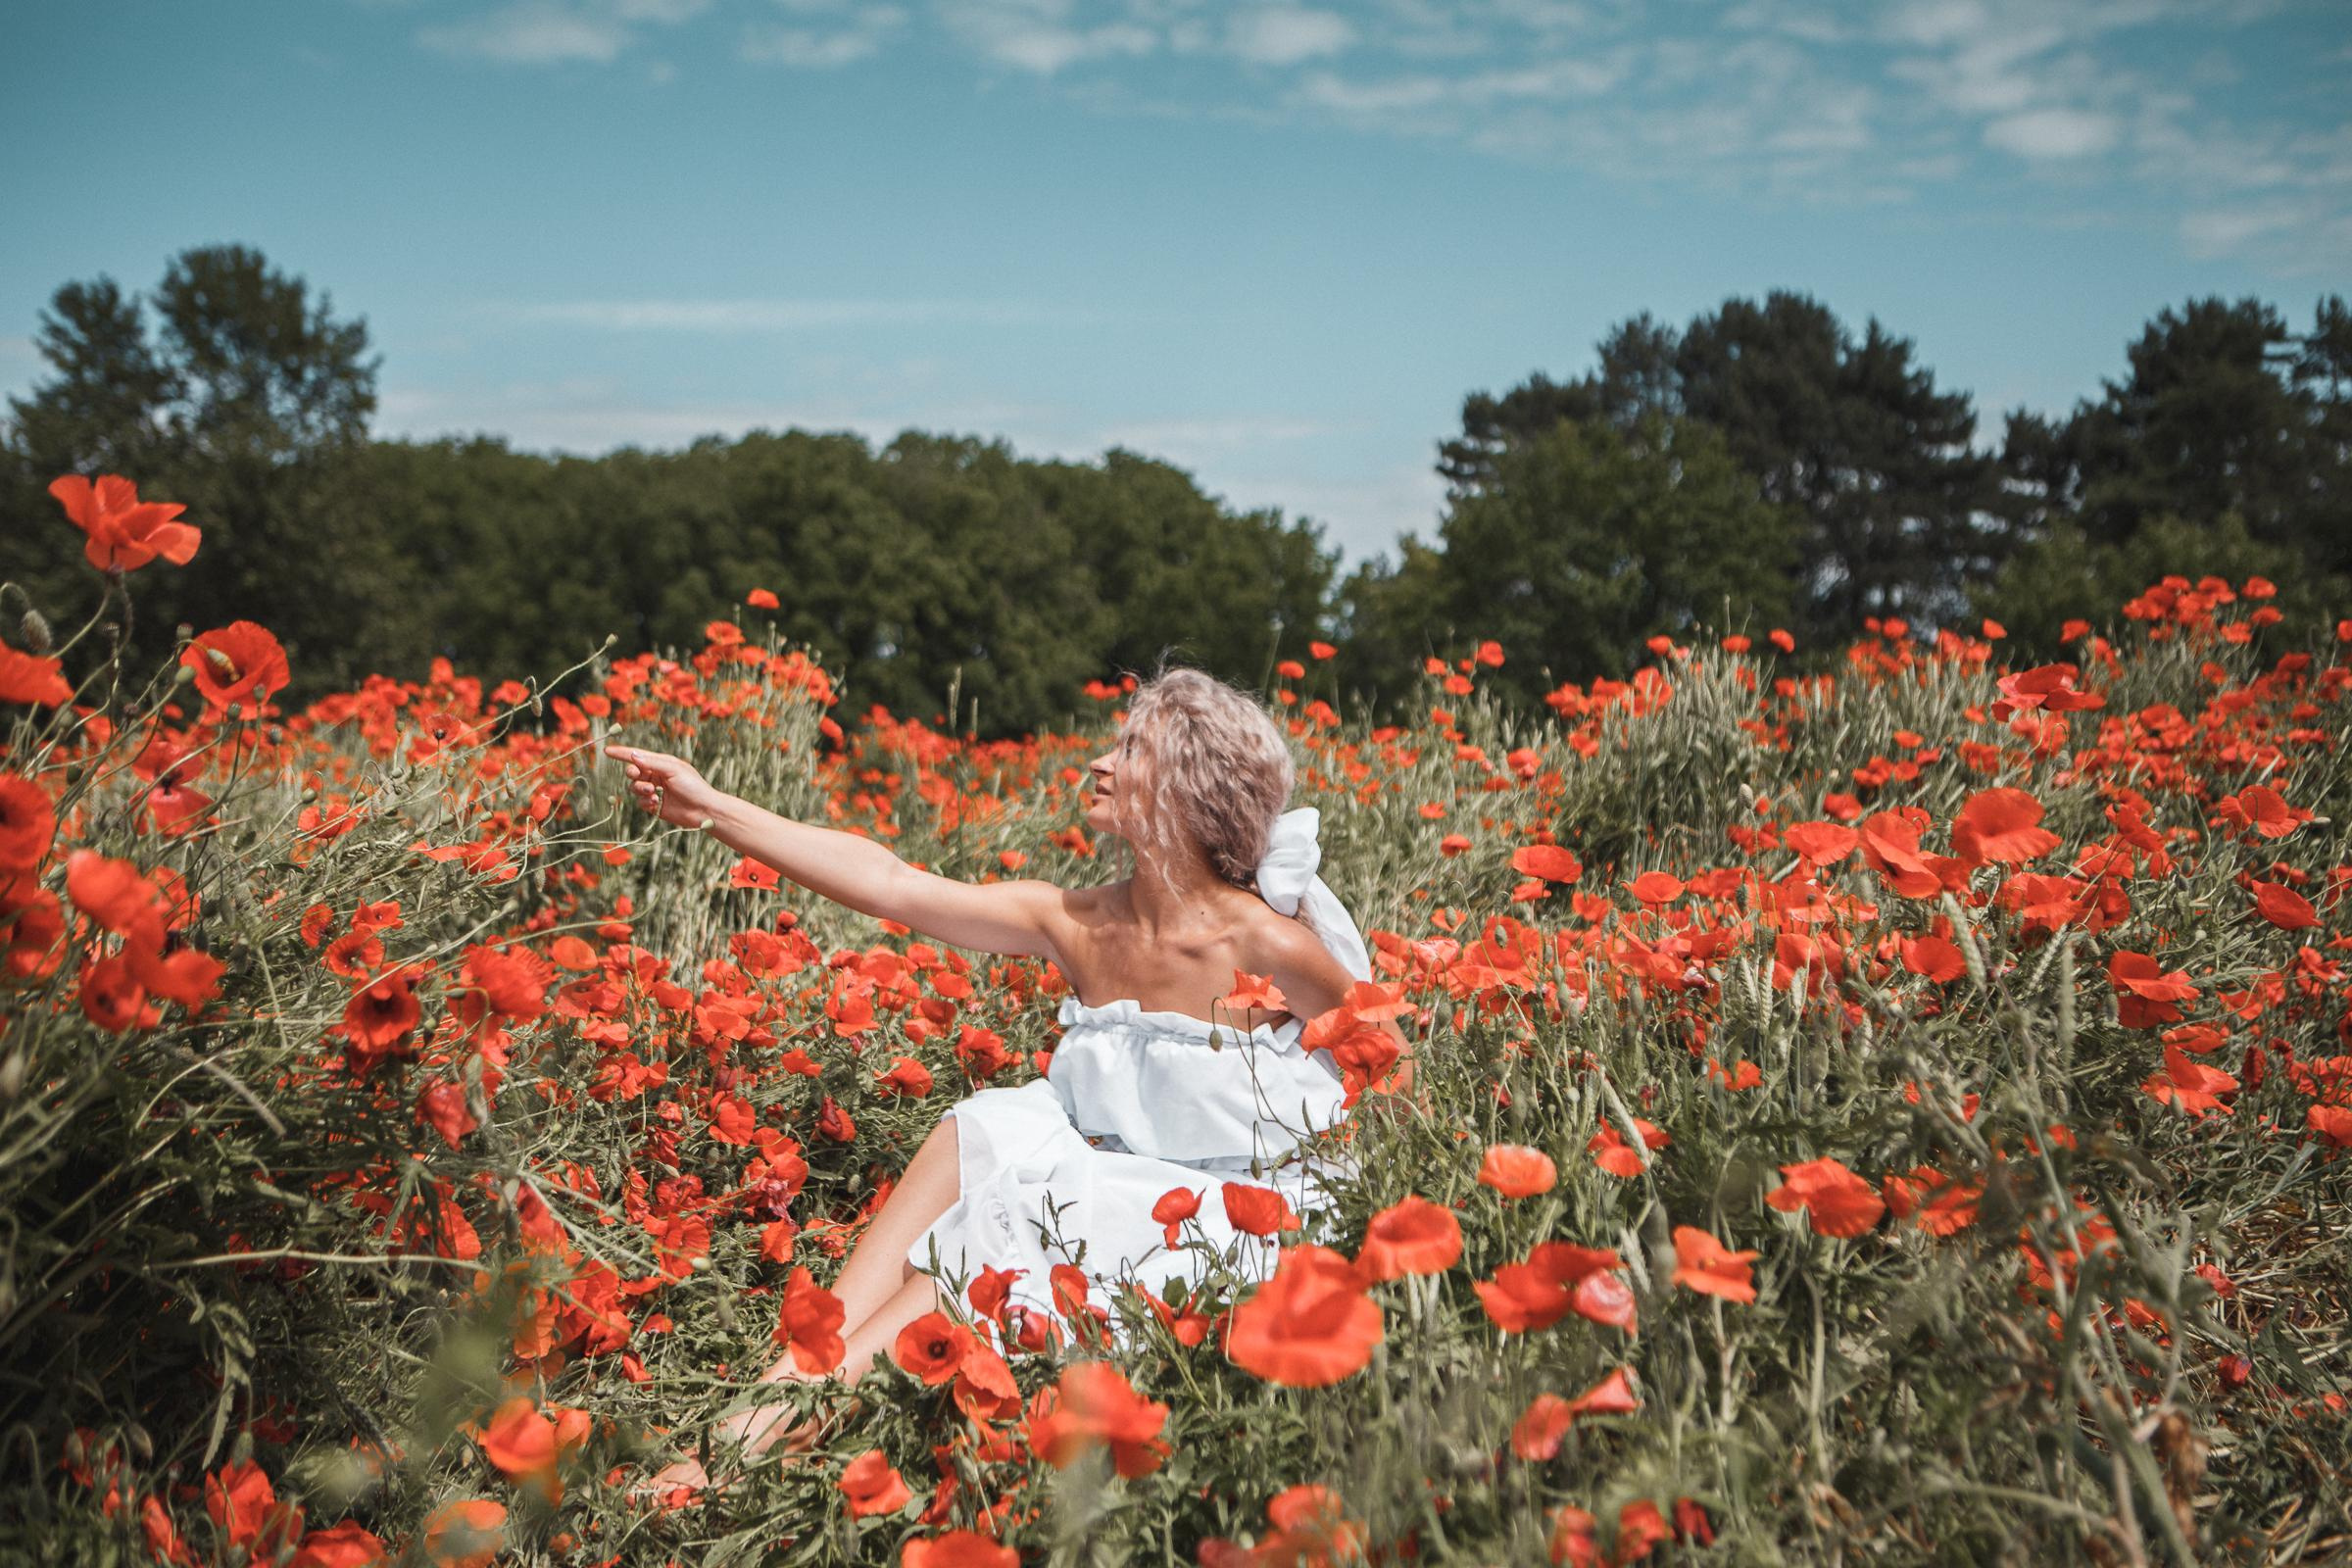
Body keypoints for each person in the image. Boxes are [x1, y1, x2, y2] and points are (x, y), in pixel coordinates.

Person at [608, 664, 1417, 1494]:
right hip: (1105, 1161)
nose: (1100, 763)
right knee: (981, 1128)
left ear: (1191, 790)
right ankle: (780, 1396)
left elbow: (1392, 1067)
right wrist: (711, 808)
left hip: (1216, 1210)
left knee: (1010, 1216)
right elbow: (895, 883)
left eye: (1132, 748)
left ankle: (733, 1459)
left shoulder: (1268, 944)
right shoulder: (1079, 919)